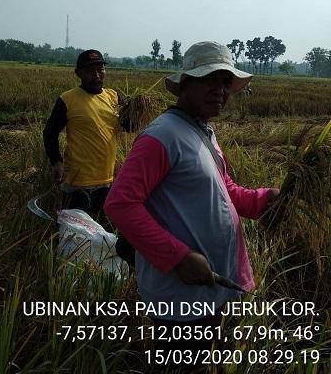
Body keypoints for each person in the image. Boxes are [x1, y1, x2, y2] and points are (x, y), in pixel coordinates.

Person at [104, 41, 280, 368]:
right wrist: (179, 257)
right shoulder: (162, 136)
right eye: (210, 79)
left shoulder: (202, 132)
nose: (221, 90)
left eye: (227, 82)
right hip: (180, 296)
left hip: (207, 288)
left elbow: (224, 189)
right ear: (185, 83)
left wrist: (262, 200)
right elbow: (120, 204)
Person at [43, 49, 119, 223]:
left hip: (107, 181)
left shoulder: (113, 97)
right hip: (78, 183)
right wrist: (56, 161)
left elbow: (129, 126)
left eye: (100, 70)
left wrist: (137, 109)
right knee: (76, 238)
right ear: (78, 73)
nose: (97, 75)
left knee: (104, 236)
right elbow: (50, 132)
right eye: (90, 71)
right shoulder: (68, 99)